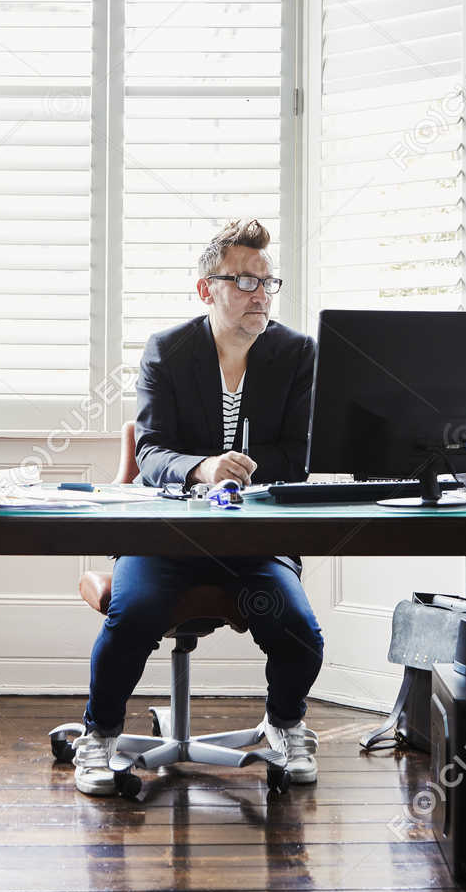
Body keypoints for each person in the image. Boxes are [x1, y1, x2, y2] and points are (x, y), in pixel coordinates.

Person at [73, 219, 323, 796]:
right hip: (168, 537)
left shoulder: (295, 353)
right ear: (206, 289)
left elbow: (299, 454)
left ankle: (285, 723)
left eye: (266, 281)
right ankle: (100, 735)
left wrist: (246, 468)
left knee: (299, 630)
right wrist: (203, 467)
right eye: (242, 281)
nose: (259, 293)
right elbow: (152, 449)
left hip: (253, 540)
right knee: (133, 615)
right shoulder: (170, 349)